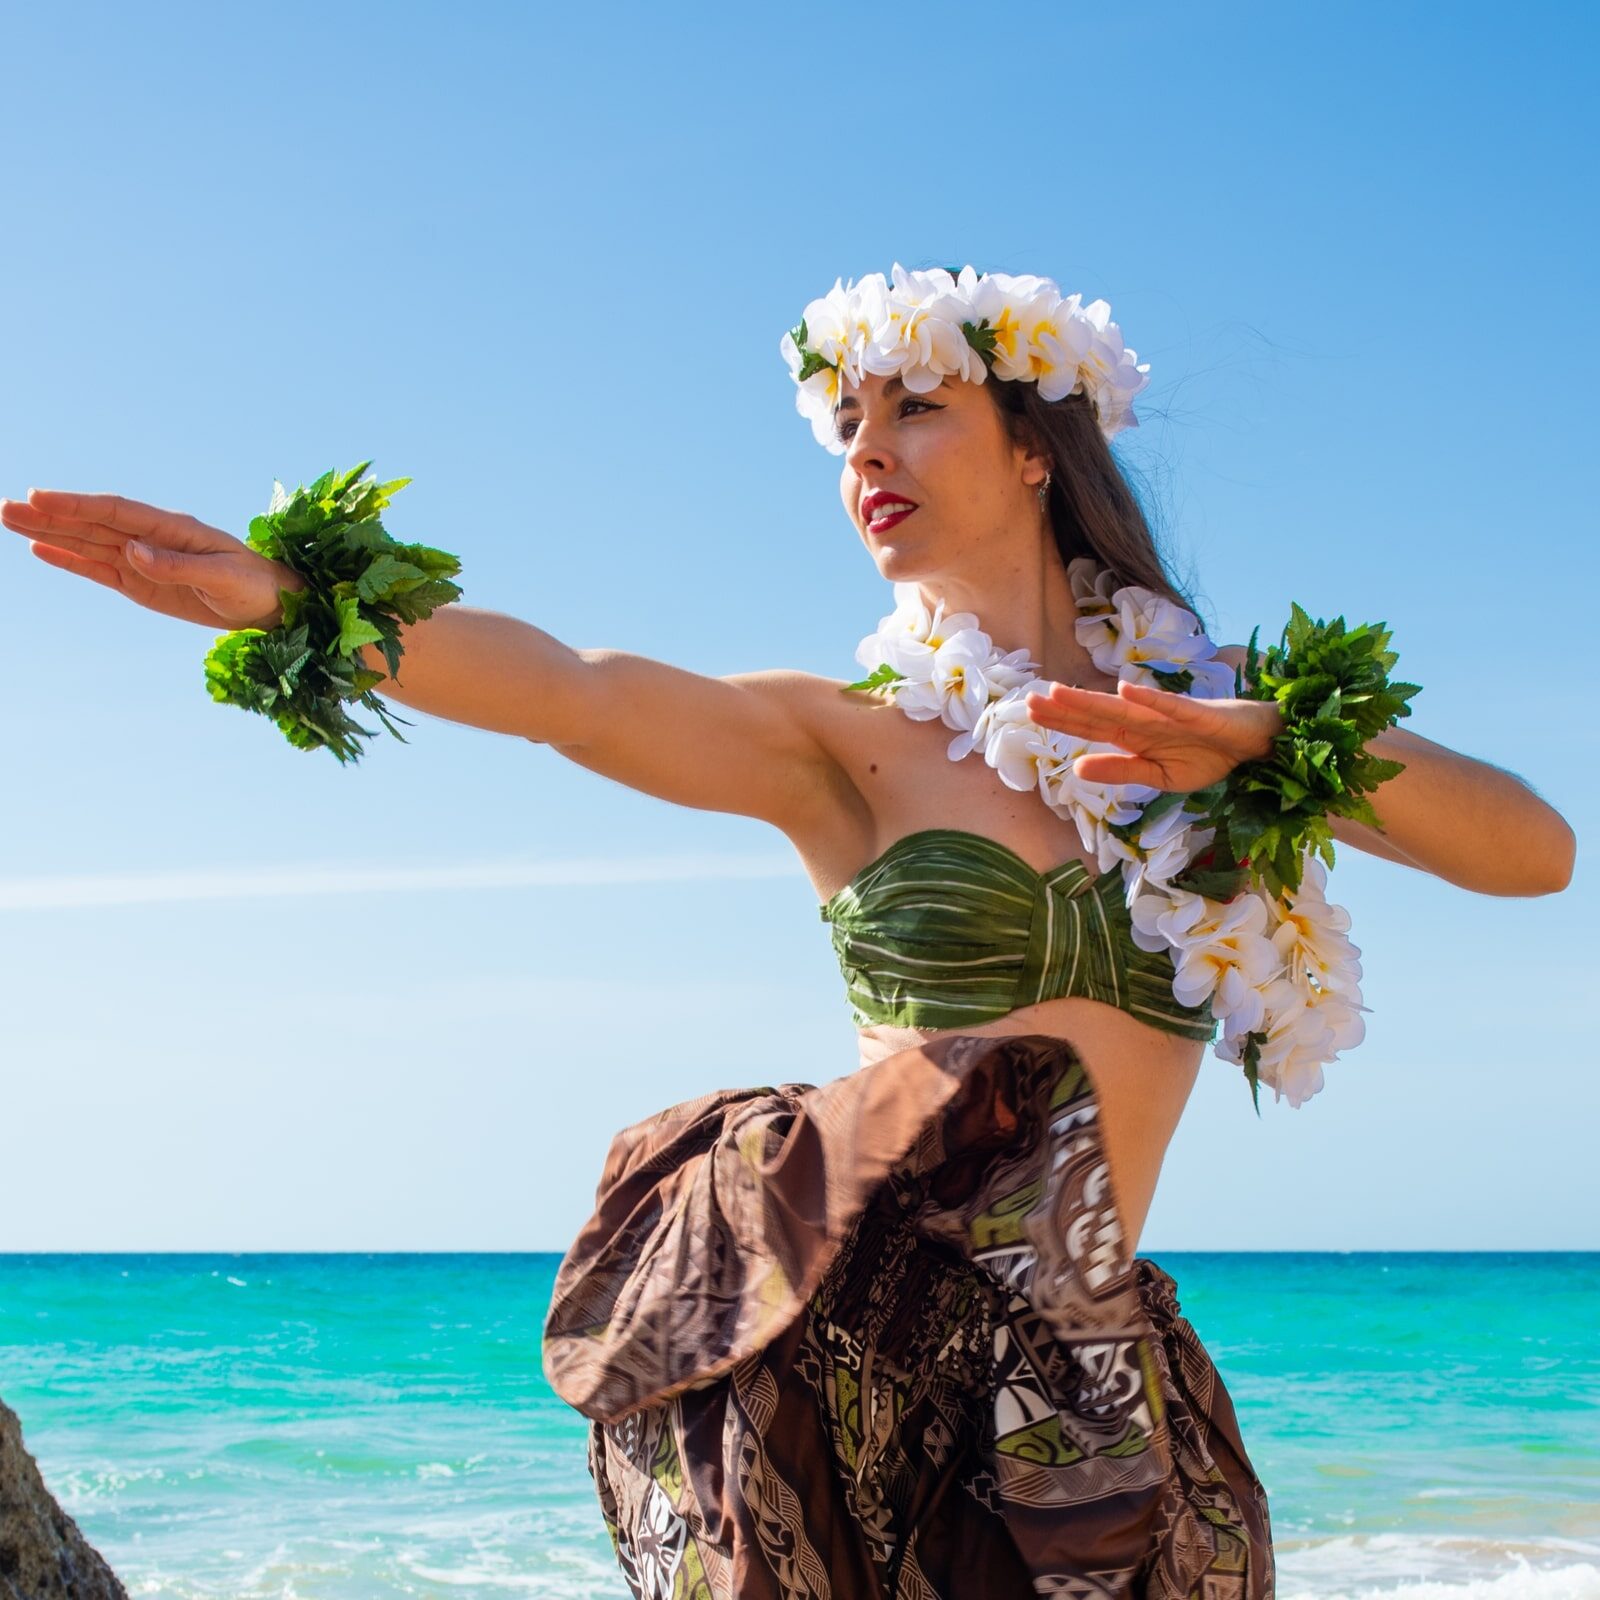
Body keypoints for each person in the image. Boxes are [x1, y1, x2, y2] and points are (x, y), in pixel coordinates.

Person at [1, 264, 1575, 1600]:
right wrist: (299, 602)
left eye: (914, 410)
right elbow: (575, 690)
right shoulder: (844, 738)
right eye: (843, 429)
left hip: (1093, 1373)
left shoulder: (1224, 729)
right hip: (866, 1358)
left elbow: (1534, 854)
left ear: (1037, 445)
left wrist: (1257, 745)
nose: (864, 452)